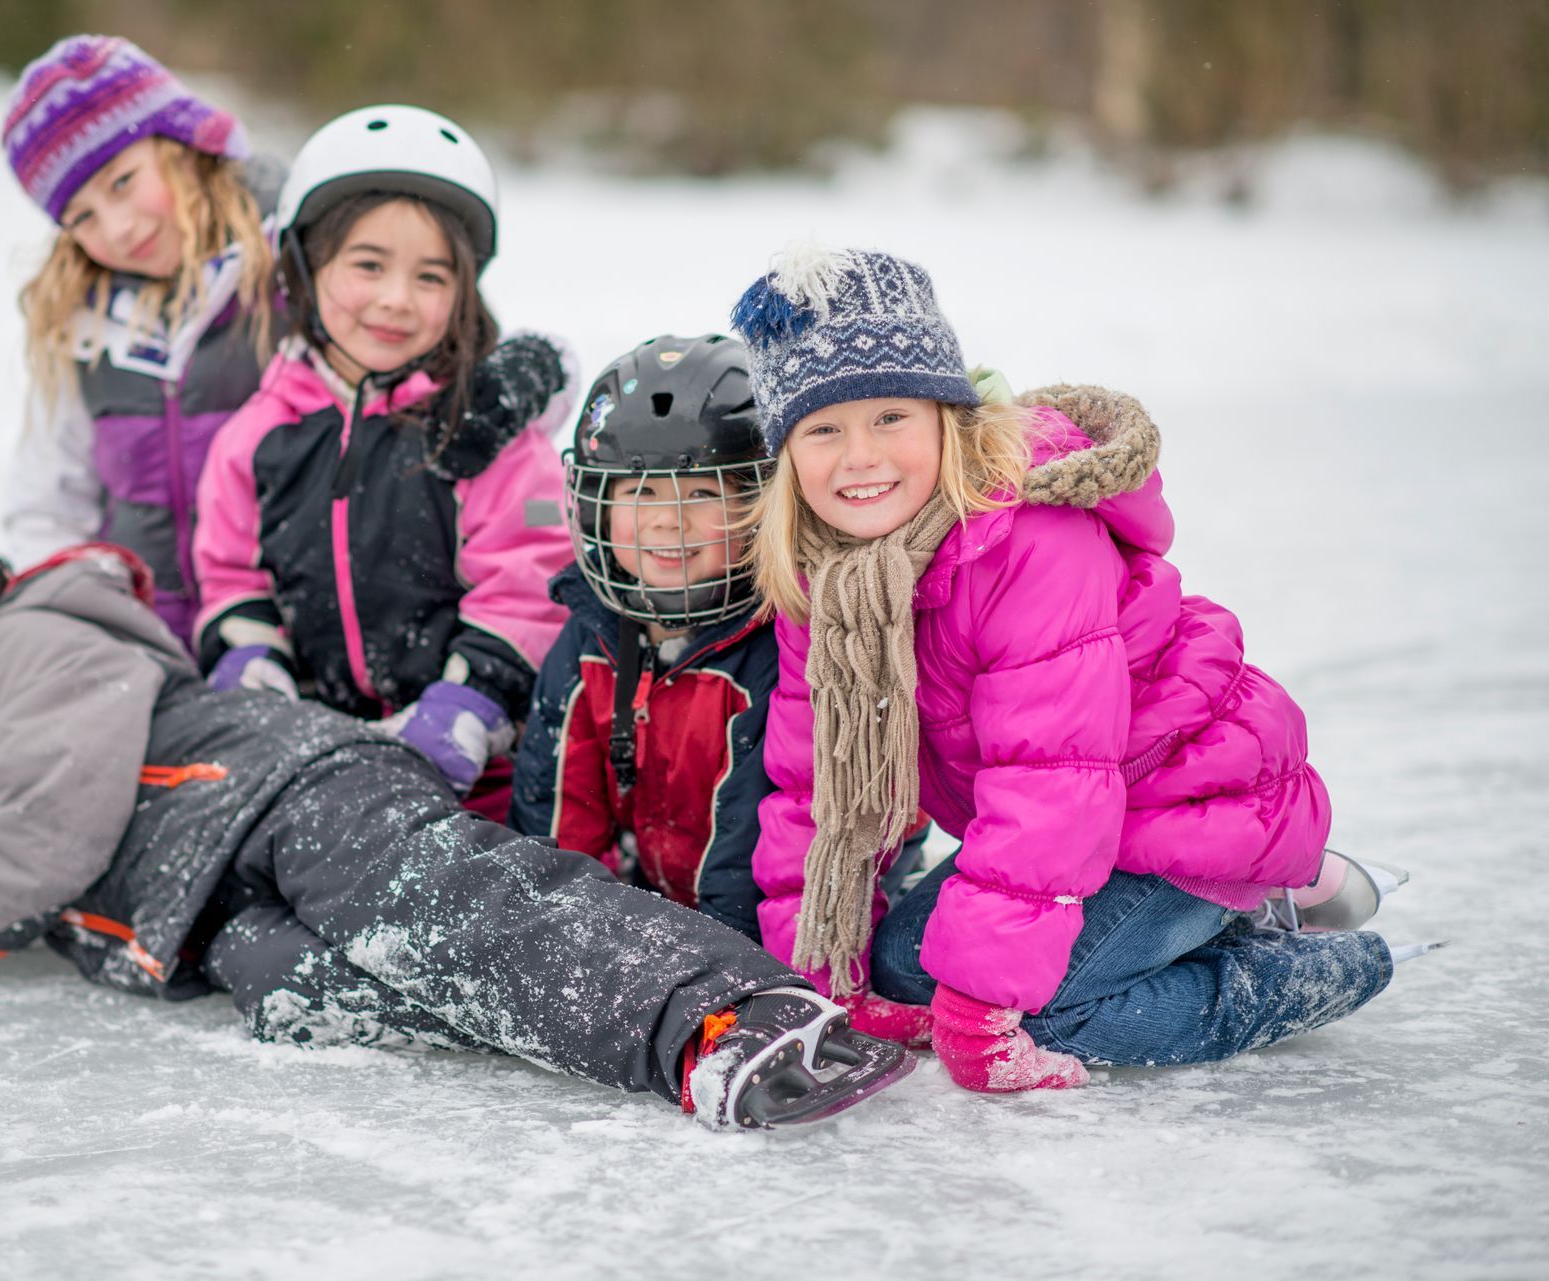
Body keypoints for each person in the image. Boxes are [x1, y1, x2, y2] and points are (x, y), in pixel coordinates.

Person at [0, 474, 914, 1129]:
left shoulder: (28, 639)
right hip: (207, 914)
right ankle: (647, 1034)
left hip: (289, 796)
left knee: (463, 915)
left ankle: (722, 1010)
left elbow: (39, 839)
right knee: (362, 985)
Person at [730, 244, 1420, 1093]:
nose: (860, 456)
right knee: (906, 974)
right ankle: (1228, 908)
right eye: (823, 429)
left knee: (1042, 1009)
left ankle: (1317, 954)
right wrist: (825, 975)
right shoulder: (827, 583)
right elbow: (815, 788)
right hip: (1089, 822)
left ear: (948, 417)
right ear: (786, 457)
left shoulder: (1025, 541)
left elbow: (1049, 781)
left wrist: (984, 1011)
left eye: (891, 418)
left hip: (1187, 802)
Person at [510, 334, 931, 1048]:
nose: (668, 520)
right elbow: (559, 817)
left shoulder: (789, 644)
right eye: (638, 494)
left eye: (703, 494)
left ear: (762, 504)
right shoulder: (587, 640)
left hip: (803, 927)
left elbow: (769, 839)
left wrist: (727, 975)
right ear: (593, 508)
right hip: (664, 902)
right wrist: (562, 944)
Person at [192, 105, 575, 814]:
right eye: (368, 265)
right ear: (307, 268)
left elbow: (530, 578)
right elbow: (229, 572)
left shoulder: (482, 432)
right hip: (311, 766)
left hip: (480, 782)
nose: (396, 300)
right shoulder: (257, 437)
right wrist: (251, 656)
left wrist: (469, 701)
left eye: (431, 277)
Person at [0, 34, 285, 649]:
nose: (119, 230)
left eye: (123, 182)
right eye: (82, 217)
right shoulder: (82, 325)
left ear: (179, 143)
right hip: (150, 650)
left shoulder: (296, 258)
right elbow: (48, 508)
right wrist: (80, 633)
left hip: (294, 637)